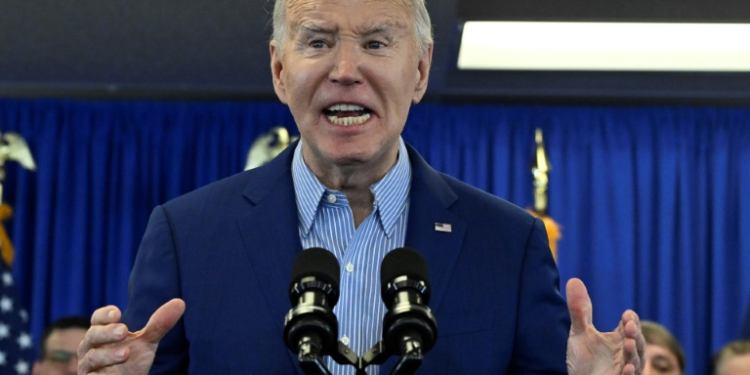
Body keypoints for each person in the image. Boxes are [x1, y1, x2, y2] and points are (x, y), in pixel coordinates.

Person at [76, 0, 645, 373]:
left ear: (420, 71)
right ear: (279, 70)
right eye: (318, 42)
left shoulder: (509, 243)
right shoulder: (187, 234)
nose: (345, 68)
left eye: (376, 43)